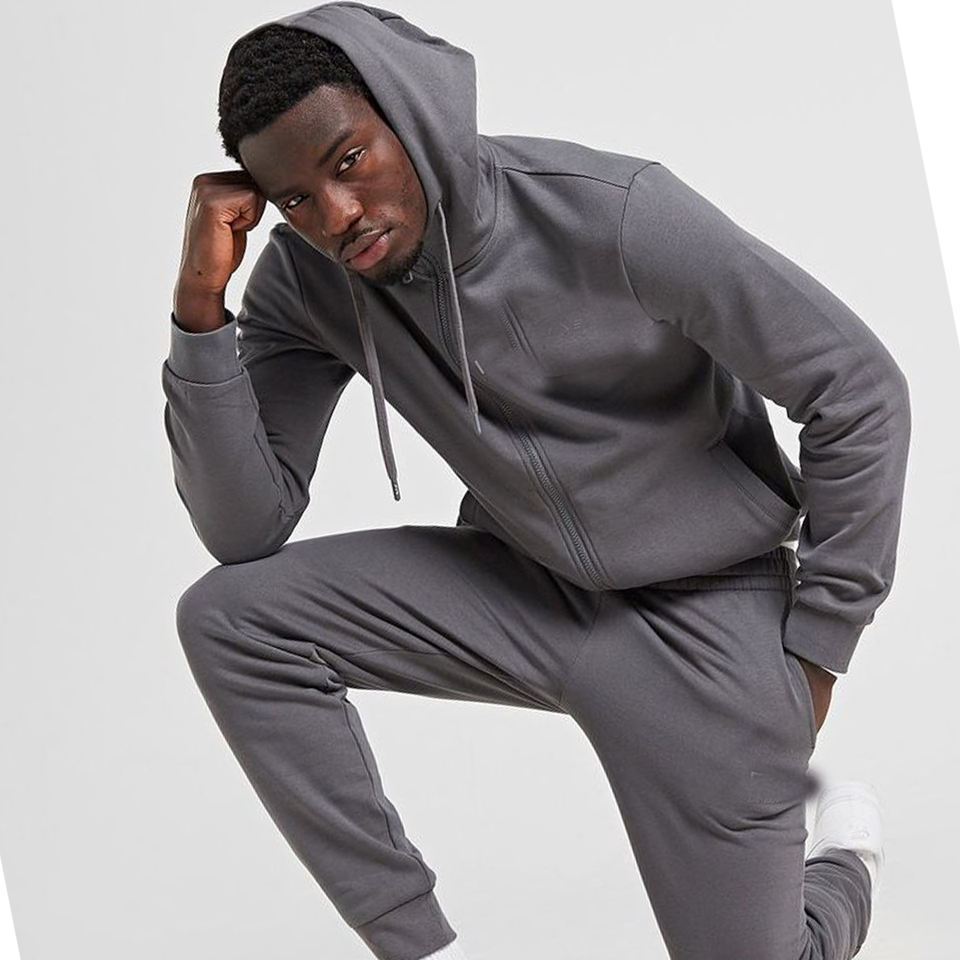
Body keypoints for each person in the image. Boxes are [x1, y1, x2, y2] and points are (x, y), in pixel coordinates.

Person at [161, 4, 910, 959]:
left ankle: (841, 860)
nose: (336, 216)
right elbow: (243, 527)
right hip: (521, 591)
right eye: (296, 199)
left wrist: (816, 654)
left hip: (708, 613)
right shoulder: (307, 281)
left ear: (408, 113)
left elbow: (857, 389)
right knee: (232, 618)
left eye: (349, 162)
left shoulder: (616, 212)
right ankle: (418, 948)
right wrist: (200, 309)